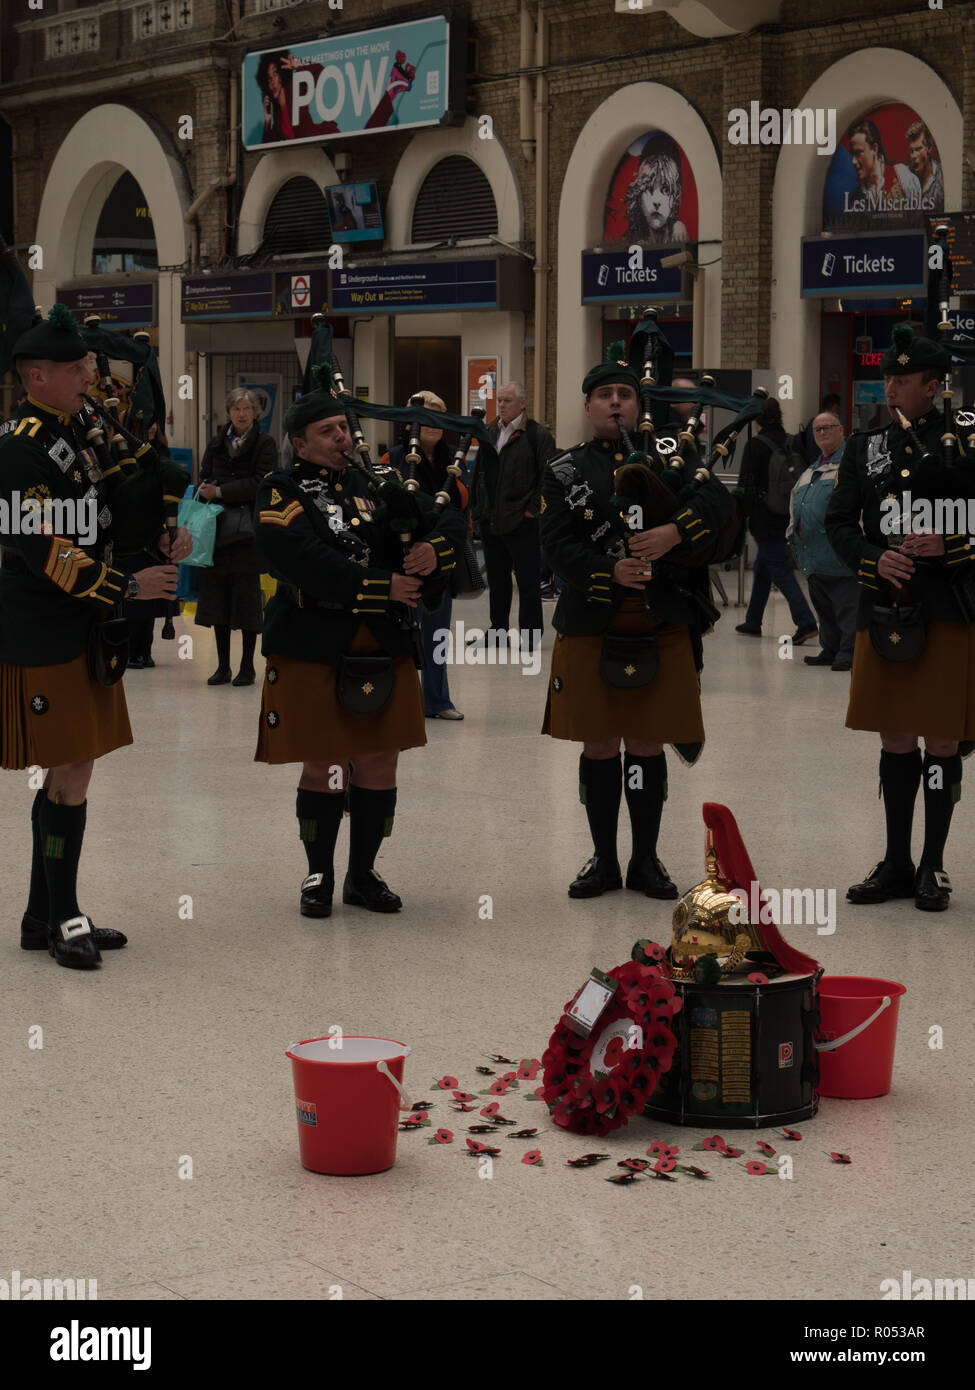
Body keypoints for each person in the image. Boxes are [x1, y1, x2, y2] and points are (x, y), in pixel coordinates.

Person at [0, 307, 192, 969]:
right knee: (69, 772)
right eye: (77, 367)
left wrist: (159, 534)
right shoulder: (19, 445)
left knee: (67, 770)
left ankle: (42, 915)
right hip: (43, 628)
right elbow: (40, 546)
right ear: (38, 374)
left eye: (88, 364)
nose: (90, 375)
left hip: (83, 625)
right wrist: (124, 588)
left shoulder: (80, 428)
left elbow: (112, 504)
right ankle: (63, 917)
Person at [253, 388, 466, 917]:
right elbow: (301, 559)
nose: (341, 438)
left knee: (379, 762)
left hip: (382, 642)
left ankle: (363, 873)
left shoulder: (381, 484)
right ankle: (318, 874)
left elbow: (451, 529)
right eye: (327, 432)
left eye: (344, 429)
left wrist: (427, 553)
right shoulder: (279, 490)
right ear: (299, 441)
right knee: (324, 764)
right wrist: (381, 586)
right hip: (312, 641)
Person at [540, 359, 733, 899]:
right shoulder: (563, 470)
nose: (616, 402)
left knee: (646, 744)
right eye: (605, 395)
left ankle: (645, 860)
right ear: (588, 405)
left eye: (625, 393)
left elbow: (717, 506)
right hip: (592, 617)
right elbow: (556, 545)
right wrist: (609, 571)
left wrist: (675, 532)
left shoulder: (674, 451)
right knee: (599, 745)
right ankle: (603, 859)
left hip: (661, 617)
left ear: (638, 403)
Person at [825, 326, 975, 913]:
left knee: (940, 737)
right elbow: (838, 524)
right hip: (884, 607)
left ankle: (932, 865)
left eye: (902, 380)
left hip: (945, 610)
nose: (890, 388)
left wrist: (953, 545)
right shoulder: (865, 448)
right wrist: (871, 557)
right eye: (887, 378)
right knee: (894, 736)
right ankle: (895, 861)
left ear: (933, 387)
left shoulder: (967, 440)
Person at [380, 390, 467, 721]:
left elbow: (461, 509)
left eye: (436, 414)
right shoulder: (392, 458)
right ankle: (396, 699)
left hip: (439, 560)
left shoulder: (454, 463)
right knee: (397, 633)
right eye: (422, 414)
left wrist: (437, 547)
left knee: (437, 633)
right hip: (398, 560)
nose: (430, 422)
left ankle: (437, 700)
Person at [196, 388, 278, 686]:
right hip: (217, 531)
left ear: (255, 413)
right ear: (228, 413)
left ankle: (247, 666)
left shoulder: (265, 444)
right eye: (236, 409)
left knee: (246, 601)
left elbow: (261, 483)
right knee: (217, 598)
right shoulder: (217, 443)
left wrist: (220, 491)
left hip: (247, 533)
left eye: (247, 408)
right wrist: (209, 486)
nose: (241, 414)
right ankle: (222, 667)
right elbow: (205, 474)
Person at [473, 381, 555, 651]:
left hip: (522, 520)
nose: (502, 406)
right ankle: (497, 632)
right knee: (497, 582)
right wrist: (477, 508)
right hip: (491, 519)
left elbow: (548, 477)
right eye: (499, 401)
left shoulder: (537, 435)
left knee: (528, 581)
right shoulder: (489, 432)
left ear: (522, 404)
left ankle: (530, 637)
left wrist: (532, 509)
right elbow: (479, 474)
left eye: (508, 401)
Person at [735, 396, 818, 644]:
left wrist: (741, 515)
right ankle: (753, 621)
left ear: (756, 419)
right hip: (789, 512)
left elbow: (746, 486)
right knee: (764, 566)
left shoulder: (756, 445)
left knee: (779, 568)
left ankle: (806, 622)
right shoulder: (792, 441)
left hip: (764, 515)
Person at [787, 413, 858, 671]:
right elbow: (797, 503)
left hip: (840, 556)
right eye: (817, 429)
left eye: (828, 428)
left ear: (841, 431)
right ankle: (830, 649)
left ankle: (848, 652)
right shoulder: (810, 469)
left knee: (847, 607)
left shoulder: (851, 465)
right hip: (813, 557)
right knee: (825, 608)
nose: (822, 433)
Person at [117, 421, 174, 668]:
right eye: (145, 423)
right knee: (132, 595)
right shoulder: (122, 448)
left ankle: (145, 650)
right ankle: (130, 650)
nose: (150, 428)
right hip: (131, 527)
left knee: (151, 601)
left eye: (154, 424)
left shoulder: (161, 451)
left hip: (154, 526)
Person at [625, 133, 688, 245]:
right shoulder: (631, 239)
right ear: (638, 193)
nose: (657, 201)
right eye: (649, 189)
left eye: (666, 191)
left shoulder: (678, 232)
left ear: (676, 197)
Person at [906, 119, 944, 212]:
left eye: (918, 149)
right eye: (911, 151)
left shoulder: (943, 177)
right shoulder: (905, 177)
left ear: (929, 148)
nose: (914, 156)